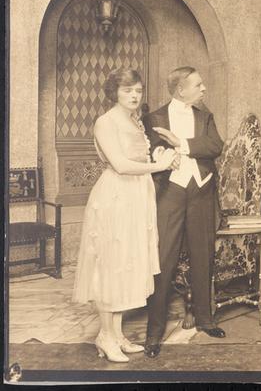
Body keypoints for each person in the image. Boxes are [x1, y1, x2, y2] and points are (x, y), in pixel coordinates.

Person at [72, 68, 177, 363]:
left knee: (125, 265)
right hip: (116, 197)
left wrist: (159, 157)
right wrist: (159, 167)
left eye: (138, 90)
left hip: (137, 196)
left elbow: (139, 157)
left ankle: (116, 334)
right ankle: (105, 336)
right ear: (114, 92)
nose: (134, 96)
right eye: (127, 90)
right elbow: (120, 164)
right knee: (111, 266)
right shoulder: (105, 122)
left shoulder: (134, 120)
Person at [142, 67, 226, 358]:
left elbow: (216, 145)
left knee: (203, 256)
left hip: (202, 191)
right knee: (163, 261)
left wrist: (182, 144)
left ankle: (205, 319)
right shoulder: (154, 118)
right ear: (181, 90)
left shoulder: (205, 116)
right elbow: (149, 150)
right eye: (198, 85)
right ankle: (154, 332)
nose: (203, 89)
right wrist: (162, 154)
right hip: (170, 193)